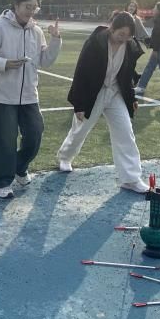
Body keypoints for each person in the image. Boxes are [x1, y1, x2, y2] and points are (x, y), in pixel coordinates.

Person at [0, 0, 63, 199]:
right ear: (16, 5)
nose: (30, 12)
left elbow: (45, 61)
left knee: (35, 134)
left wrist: (56, 39)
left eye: (34, 8)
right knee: (6, 139)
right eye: (27, 7)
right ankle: (2, 181)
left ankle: (19, 167)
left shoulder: (36, 31)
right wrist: (4, 63)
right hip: (3, 94)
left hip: (29, 94)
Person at [57, 10, 149, 193]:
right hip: (93, 93)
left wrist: (131, 99)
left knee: (125, 132)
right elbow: (81, 72)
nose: (124, 39)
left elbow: (128, 75)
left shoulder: (130, 46)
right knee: (80, 129)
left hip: (115, 93)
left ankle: (130, 179)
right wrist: (79, 105)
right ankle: (64, 157)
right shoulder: (95, 43)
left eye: (128, 36)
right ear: (112, 28)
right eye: (121, 34)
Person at [134, 1, 160, 97]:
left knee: (150, 66)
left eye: (155, 8)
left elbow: (158, 37)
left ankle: (141, 86)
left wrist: (155, 50)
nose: (153, 9)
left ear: (159, 10)